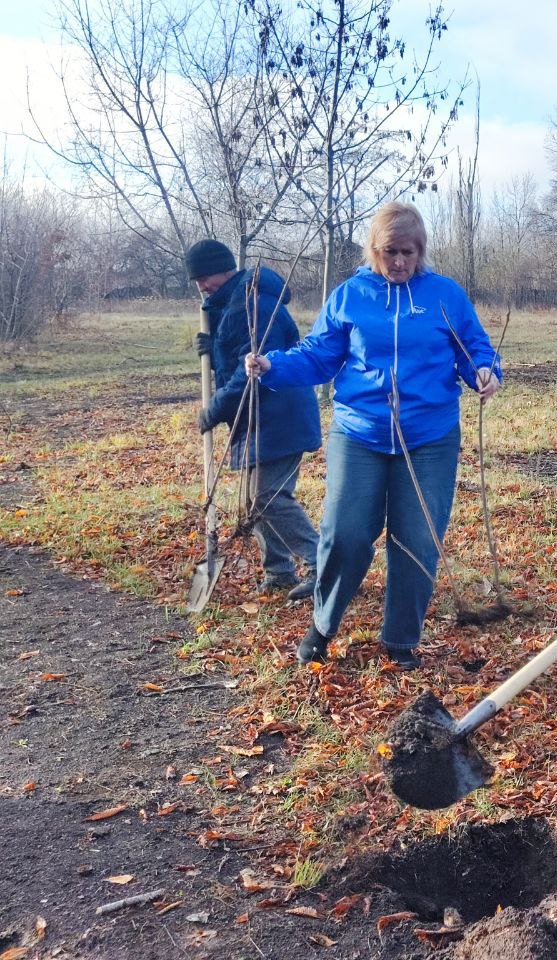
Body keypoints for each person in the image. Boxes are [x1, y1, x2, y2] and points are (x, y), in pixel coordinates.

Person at [245, 203, 500, 669]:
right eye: (389, 252)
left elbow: (473, 347)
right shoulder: (350, 295)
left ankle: (400, 641)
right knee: (345, 533)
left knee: (418, 539)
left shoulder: (445, 295)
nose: (399, 262)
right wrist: (273, 365)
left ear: (421, 251)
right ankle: (323, 624)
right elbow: (320, 353)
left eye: (408, 252)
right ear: (373, 250)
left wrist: (484, 371)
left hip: (429, 436)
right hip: (360, 431)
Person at [185, 239, 321, 600]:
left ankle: (323, 563)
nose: (200, 284)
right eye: (195, 279)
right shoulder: (230, 303)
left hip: (280, 412)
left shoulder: (255, 303)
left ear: (225, 268)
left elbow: (255, 369)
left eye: (204, 276)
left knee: (266, 495)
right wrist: (213, 351)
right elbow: (235, 360)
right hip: (257, 417)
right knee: (252, 499)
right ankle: (279, 572)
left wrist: (214, 410)